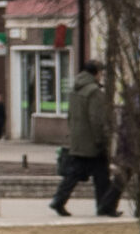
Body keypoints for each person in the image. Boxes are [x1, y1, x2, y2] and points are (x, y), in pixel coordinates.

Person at [50, 60, 117, 218]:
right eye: (101, 72)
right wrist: (101, 139)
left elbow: (70, 115)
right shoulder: (94, 92)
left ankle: (59, 200)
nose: (101, 75)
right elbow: (96, 119)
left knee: (77, 173)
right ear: (96, 73)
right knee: (101, 175)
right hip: (92, 140)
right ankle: (104, 206)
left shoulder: (75, 89)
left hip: (78, 139)